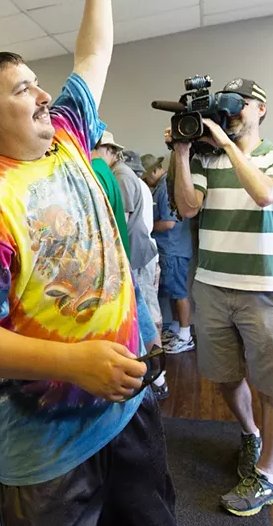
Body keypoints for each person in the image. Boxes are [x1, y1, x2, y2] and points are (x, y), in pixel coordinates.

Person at [0, 0, 176, 526]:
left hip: (128, 402)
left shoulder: (67, 137)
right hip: (49, 446)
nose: (43, 95)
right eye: (22, 90)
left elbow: (93, 57)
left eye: (37, 84)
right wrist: (72, 364)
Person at [169, 77, 273, 517]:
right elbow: (188, 207)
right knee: (225, 377)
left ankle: (268, 475)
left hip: (262, 288)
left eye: (242, 103)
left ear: (261, 108)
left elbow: (265, 194)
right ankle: (250, 434)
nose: (234, 109)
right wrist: (184, 153)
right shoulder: (207, 157)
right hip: (210, 284)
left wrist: (226, 142)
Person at [114, 149, 170, 400]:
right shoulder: (139, 183)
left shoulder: (125, 179)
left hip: (139, 255)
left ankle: (159, 377)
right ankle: (156, 372)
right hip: (144, 252)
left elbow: (122, 223)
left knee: (148, 310)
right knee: (148, 308)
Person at [152, 152, 195, 354]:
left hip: (173, 248)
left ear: (154, 171)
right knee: (172, 291)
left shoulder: (165, 189)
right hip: (174, 247)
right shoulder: (168, 185)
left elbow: (168, 223)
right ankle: (178, 329)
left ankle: (186, 336)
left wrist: (146, 226)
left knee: (179, 292)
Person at [91, 131, 131, 259]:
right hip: (118, 255)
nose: (114, 157)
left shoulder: (94, 170)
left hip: (109, 257)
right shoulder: (104, 170)